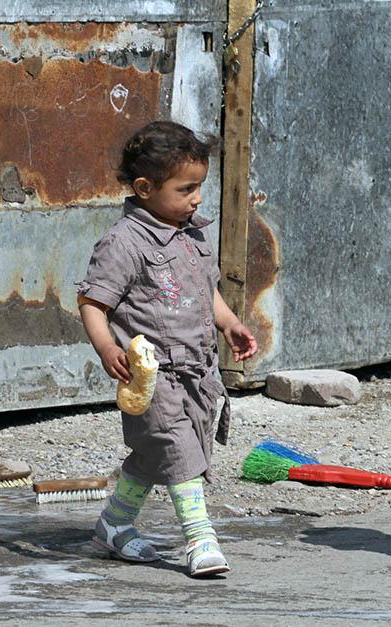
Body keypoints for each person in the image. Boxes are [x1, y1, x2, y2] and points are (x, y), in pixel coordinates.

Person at [77, 120, 258, 577]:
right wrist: (105, 348)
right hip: (156, 378)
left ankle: (114, 526)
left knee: (155, 455)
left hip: (199, 373)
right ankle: (200, 540)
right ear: (144, 187)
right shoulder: (123, 244)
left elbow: (205, 291)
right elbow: (93, 302)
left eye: (200, 187)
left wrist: (230, 322)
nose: (197, 198)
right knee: (180, 455)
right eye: (186, 189)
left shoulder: (192, 233)